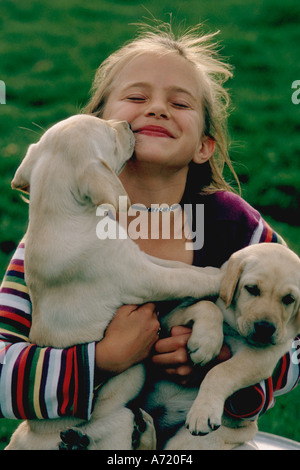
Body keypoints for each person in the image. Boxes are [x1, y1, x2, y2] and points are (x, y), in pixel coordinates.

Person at [0, 22, 299, 447]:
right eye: (137, 97)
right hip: (79, 437)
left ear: (204, 146)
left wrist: (223, 368)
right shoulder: (54, 237)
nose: (157, 109)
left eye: (179, 103)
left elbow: (294, 341)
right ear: (99, 125)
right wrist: (100, 361)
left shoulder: (236, 229)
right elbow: (1, 367)